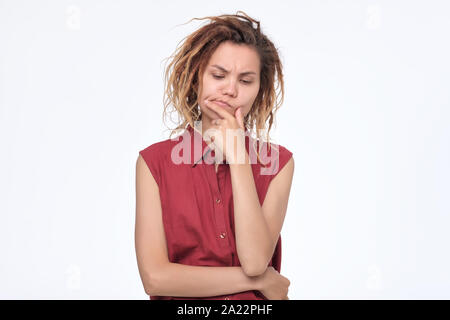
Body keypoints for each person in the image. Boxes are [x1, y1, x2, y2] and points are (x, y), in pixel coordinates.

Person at [135, 11, 294, 300]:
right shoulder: (153, 162)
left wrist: (238, 155)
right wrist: (264, 282)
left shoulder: (278, 163)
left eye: (246, 81)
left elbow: (256, 260)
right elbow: (156, 279)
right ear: (197, 76)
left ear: (260, 90)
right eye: (218, 76)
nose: (231, 90)